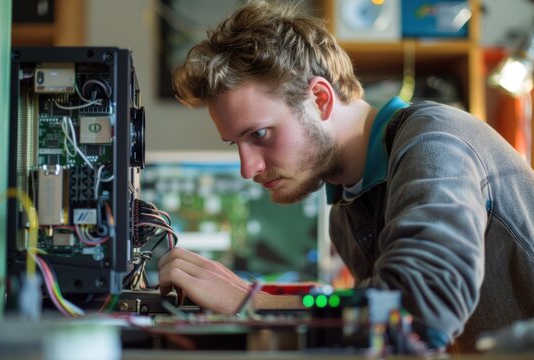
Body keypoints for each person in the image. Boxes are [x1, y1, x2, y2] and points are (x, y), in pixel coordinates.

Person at [157, 0, 534, 352]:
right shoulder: (345, 210)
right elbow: (388, 340)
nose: (247, 168)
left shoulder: (435, 140)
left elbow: (423, 313)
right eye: (234, 144)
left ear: (320, 99)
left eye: (259, 135)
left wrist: (252, 302)